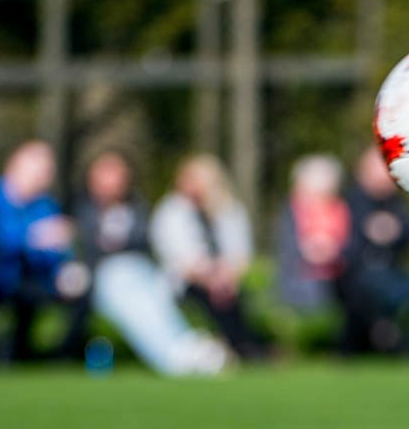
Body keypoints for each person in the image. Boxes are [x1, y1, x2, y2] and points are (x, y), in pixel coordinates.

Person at [70, 150, 228, 376]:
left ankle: (186, 344)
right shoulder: (81, 209)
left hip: (140, 272)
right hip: (103, 278)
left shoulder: (137, 208)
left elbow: (143, 242)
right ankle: (172, 356)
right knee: (126, 286)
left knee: (155, 295)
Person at [151, 154, 269, 361]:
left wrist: (226, 276)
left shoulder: (229, 210)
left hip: (226, 282)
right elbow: (182, 260)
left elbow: (241, 255)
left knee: (228, 296)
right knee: (213, 297)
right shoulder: (172, 212)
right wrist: (211, 278)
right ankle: (241, 345)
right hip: (186, 284)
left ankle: (241, 344)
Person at [337, 146, 409, 355]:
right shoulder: (350, 201)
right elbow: (345, 242)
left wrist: (395, 230)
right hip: (357, 275)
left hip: (394, 273)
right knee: (381, 299)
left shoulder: (396, 202)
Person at [0, 140, 76, 363]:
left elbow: (57, 248)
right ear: (14, 166)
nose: (42, 178)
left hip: (38, 277)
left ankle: (65, 354)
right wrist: (32, 238)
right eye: (37, 171)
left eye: (46, 172)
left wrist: (63, 267)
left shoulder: (45, 205)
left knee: (80, 285)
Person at [273, 152, 349, 317]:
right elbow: (288, 249)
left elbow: (349, 245)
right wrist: (311, 251)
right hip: (300, 277)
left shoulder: (340, 209)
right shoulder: (291, 212)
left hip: (338, 276)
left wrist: (333, 251)